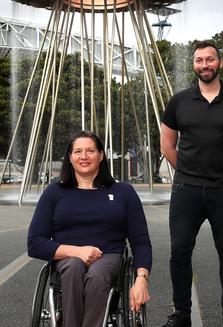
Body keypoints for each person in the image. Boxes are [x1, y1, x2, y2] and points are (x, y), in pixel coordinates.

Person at [160, 40, 223, 327]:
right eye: (199, 60)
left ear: (220, 63)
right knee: (179, 251)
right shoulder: (180, 100)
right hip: (186, 190)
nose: (204, 65)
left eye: (210, 59)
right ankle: (181, 314)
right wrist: (189, 171)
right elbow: (167, 146)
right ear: (194, 65)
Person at [27, 130, 152, 327]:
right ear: (70, 157)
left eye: (90, 151)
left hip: (109, 255)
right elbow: (35, 243)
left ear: (101, 155)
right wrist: (77, 251)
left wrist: (141, 278)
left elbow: (141, 242)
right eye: (77, 151)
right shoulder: (54, 192)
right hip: (68, 256)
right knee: (74, 267)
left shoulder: (123, 192)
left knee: (98, 274)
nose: (83, 156)